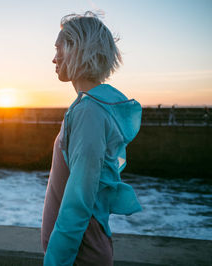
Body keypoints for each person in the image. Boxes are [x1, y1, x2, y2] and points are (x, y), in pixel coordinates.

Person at [41, 11, 142, 266]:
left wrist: (55, 261)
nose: (54, 59)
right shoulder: (90, 107)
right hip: (80, 251)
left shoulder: (89, 112)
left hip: (79, 255)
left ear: (77, 49)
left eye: (58, 48)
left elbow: (79, 198)